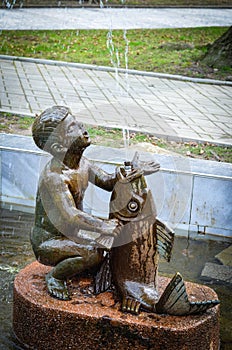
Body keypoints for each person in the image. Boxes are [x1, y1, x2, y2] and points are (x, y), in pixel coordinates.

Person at [31, 106, 123, 301]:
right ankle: (55, 276)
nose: (81, 126)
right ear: (59, 147)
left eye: (76, 121)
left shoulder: (83, 163)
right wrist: (102, 225)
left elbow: (106, 181)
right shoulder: (55, 177)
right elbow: (71, 215)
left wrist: (120, 176)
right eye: (72, 127)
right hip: (48, 242)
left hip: (72, 234)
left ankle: (79, 263)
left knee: (106, 246)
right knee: (93, 252)